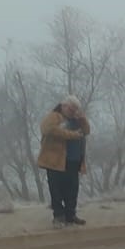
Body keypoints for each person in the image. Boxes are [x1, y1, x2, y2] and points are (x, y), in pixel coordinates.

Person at [37, 97, 90, 226]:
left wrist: (82, 118)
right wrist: (72, 135)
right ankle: (58, 216)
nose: (73, 112)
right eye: (71, 109)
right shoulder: (54, 117)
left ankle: (70, 215)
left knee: (72, 190)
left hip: (73, 160)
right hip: (56, 161)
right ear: (64, 106)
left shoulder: (76, 120)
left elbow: (86, 131)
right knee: (56, 190)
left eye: (75, 110)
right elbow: (48, 130)